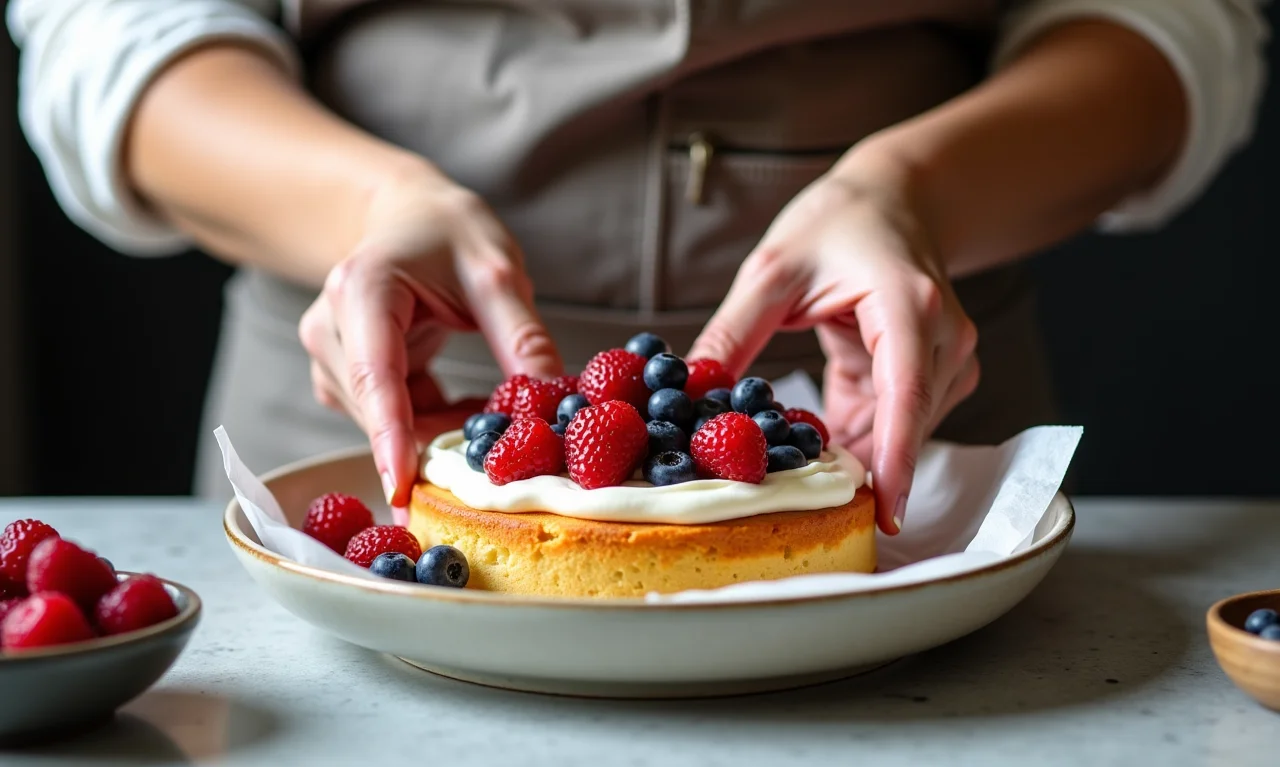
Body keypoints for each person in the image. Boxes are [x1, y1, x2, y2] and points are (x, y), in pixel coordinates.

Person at [8, 1, 1268, 535]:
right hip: (379, 435)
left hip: (899, 446)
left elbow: (1175, 23)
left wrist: (912, 194)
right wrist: (368, 202)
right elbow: (109, 27)